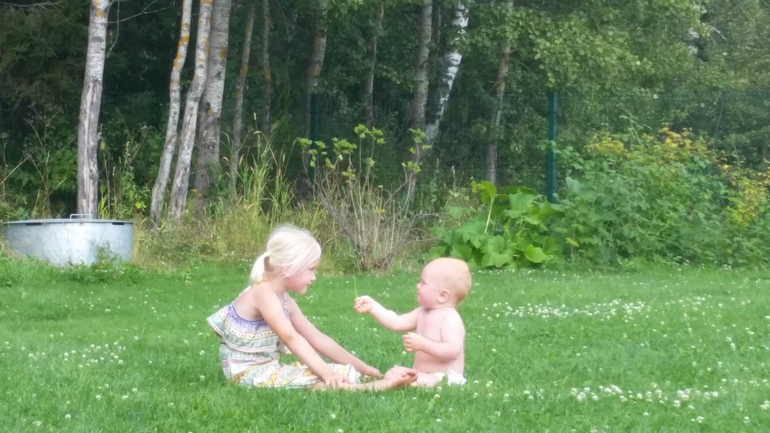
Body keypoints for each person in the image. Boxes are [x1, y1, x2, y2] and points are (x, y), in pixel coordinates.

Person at [207, 225, 417, 390]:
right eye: (311, 269)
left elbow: (318, 338)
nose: (314, 277)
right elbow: (291, 338)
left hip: (269, 368)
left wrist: (364, 369)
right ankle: (371, 388)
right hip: (246, 374)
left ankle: (369, 380)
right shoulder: (262, 293)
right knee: (320, 379)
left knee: (342, 372)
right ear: (289, 268)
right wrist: (326, 373)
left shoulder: (285, 300)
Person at [354, 257, 471, 387]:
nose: (417, 286)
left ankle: (402, 383)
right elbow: (396, 322)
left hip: (445, 377)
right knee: (393, 373)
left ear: (442, 296)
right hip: (422, 374)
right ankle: (401, 381)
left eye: (423, 283)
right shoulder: (422, 312)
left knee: (413, 382)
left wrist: (424, 345)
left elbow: (453, 352)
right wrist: (373, 307)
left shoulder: (450, 319)